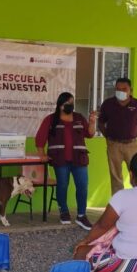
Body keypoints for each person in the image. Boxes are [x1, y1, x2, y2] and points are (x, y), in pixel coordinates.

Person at [35, 92, 97, 229]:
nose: (71, 105)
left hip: (79, 159)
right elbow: (40, 139)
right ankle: (63, 211)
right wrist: (42, 155)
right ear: (60, 105)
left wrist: (92, 122)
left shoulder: (79, 118)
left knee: (82, 186)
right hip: (60, 159)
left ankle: (81, 215)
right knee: (62, 185)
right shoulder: (51, 120)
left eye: (72, 102)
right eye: (68, 103)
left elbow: (90, 134)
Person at [98, 77, 137, 195]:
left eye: (124, 89)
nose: (121, 91)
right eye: (118, 89)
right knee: (116, 177)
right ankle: (118, 206)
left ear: (131, 90)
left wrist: (133, 134)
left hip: (132, 145)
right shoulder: (108, 104)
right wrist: (108, 137)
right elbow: (101, 123)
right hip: (113, 145)